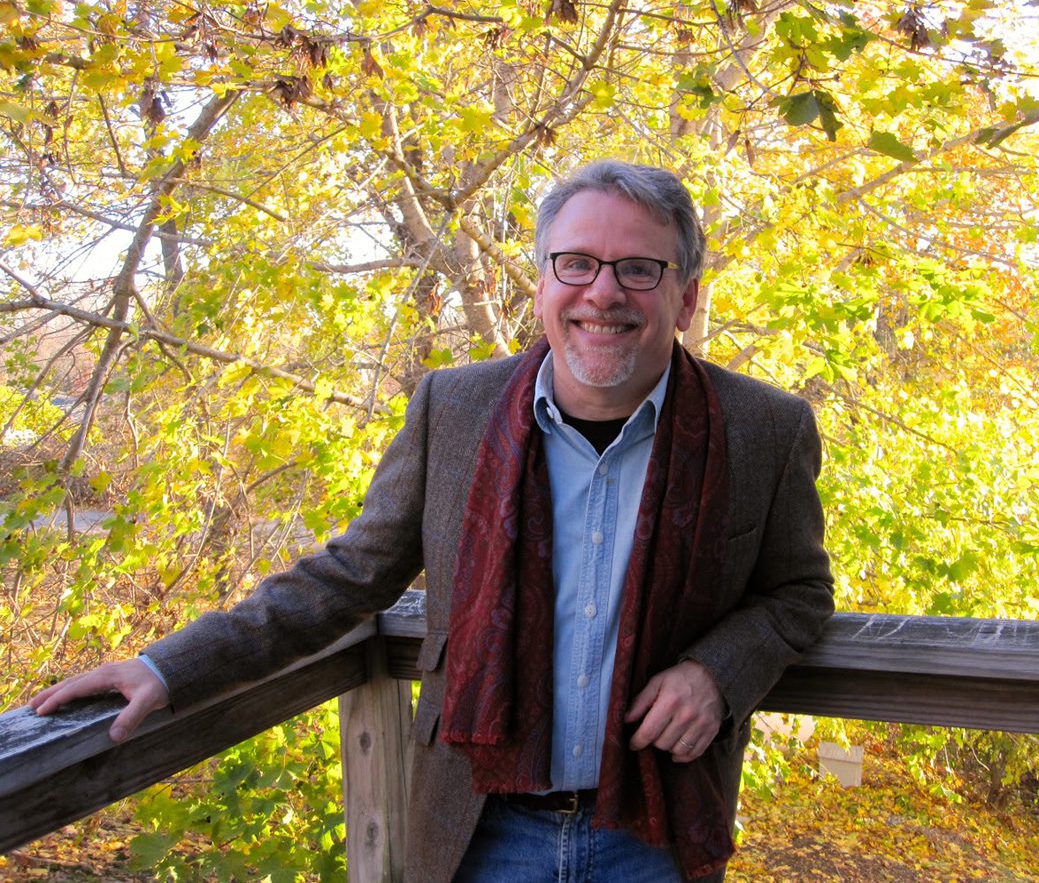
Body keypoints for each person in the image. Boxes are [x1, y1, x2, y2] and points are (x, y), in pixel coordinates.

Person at [32, 160, 835, 882]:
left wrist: (717, 673)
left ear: (685, 297)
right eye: (577, 263)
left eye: (638, 268)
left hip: (656, 827)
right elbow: (348, 576)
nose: (603, 292)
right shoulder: (453, 409)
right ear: (542, 284)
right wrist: (168, 668)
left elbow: (798, 592)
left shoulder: (765, 429)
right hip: (479, 829)